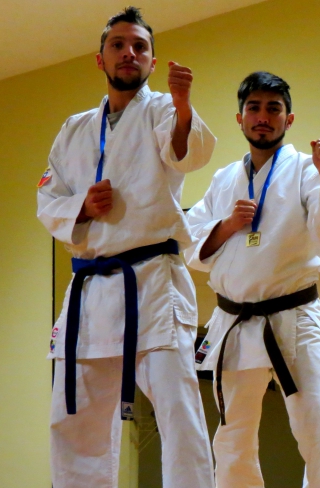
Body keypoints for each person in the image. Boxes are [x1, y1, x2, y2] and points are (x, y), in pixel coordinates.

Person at [37, 7, 214, 487]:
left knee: (179, 413)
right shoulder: (74, 129)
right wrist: (81, 206)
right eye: (118, 45)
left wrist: (183, 106)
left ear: (152, 61)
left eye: (140, 46)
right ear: (101, 59)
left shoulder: (163, 110)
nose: (129, 53)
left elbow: (188, 154)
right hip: (90, 290)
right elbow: (47, 200)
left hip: (151, 281)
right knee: (73, 417)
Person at [185, 71, 320, 488]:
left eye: (273, 109)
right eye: (254, 108)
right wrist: (228, 226)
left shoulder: (306, 169)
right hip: (233, 320)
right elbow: (191, 245)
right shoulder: (224, 179)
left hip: (293, 316)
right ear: (240, 118)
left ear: (289, 119)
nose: (263, 117)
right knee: (232, 438)